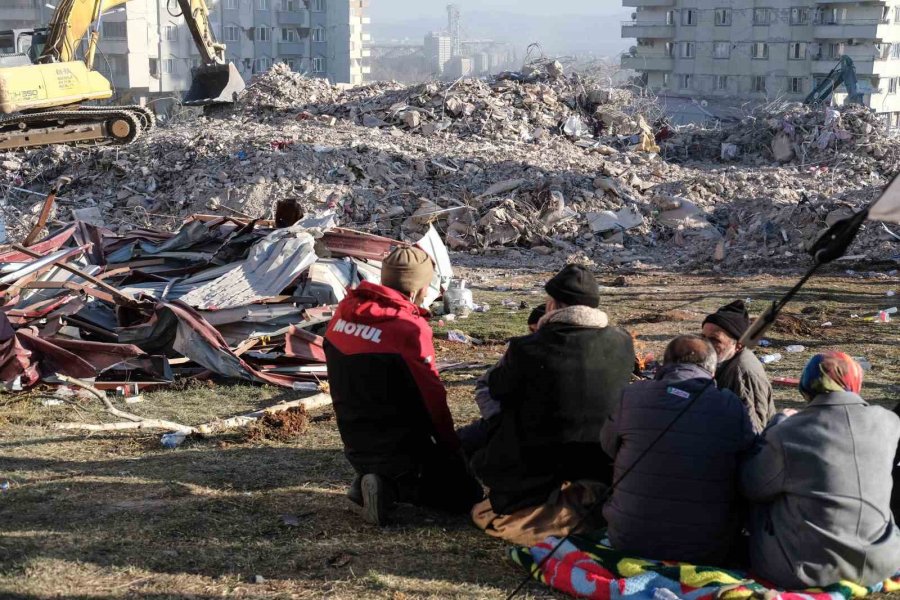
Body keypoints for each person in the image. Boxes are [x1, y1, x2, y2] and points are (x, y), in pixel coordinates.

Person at [470, 265, 635, 545]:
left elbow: (495, 389)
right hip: (601, 460)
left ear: (551, 304)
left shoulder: (526, 348)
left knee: (482, 438)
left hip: (538, 465)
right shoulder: (623, 342)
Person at [324, 246, 482, 525]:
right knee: (465, 496)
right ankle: (390, 489)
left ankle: (368, 479)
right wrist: (452, 447)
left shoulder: (343, 314)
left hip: (354, 443)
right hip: (402, 446)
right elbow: (432, 397)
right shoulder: (407, 328)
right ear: (419, 288)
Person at [742, 352, 900, 589]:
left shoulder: (788, 432)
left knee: (768, 491)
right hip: (882, 562)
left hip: (808, 571)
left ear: (806, 386)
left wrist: (775, 426)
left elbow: (751, 486)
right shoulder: (889, 422)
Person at [601, 335, 756, 564]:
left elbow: (608, 445)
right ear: (713, 370)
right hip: (707, 548)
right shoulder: (731, 405)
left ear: (664, 364)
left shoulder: (632, 395)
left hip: (628, 539)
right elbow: (750, 466)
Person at [457, 304, 546, 456]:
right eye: (531, 331)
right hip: (506, 422)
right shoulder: (519, 351)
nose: (533, 336)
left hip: (539, 432)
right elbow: (484, 385)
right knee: (458, 442)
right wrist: (497, 419)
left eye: (538, 331)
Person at [702, 300, 775, 433]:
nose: (705, 344)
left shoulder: (743, 373)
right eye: (703, 337)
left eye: (714, 339)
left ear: (738, 344)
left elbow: (754, 429)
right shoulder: (722, 360)